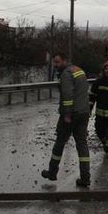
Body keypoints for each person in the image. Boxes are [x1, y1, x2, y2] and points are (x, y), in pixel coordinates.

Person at [41, 52, 91, 187]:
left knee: (60, 142)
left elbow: (68, 95)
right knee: (82, 145)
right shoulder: (79, 70)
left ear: (65, 61)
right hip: (83, 113)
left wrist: (67, 115)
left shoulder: (66, 74)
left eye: (57, 62)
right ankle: (85, 177)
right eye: (54, 63)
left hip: (71, 114)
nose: (55, 65)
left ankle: (52, 172)